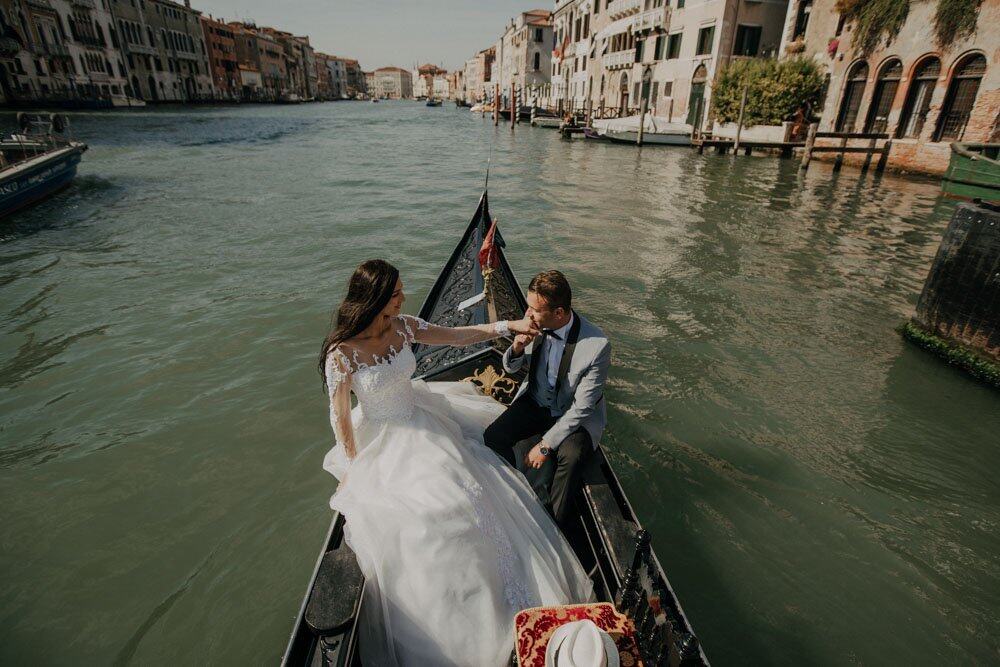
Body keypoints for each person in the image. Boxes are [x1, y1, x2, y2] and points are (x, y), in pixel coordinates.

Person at [319, 259, 594, 667]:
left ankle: (505, 590)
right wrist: (353, 467)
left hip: (424, 418)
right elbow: (340, 416)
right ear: (376, 299)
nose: (403, 295)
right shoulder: (342, 354)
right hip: (385, 440)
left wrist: (507, 327)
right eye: (396, 292)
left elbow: (459, 336)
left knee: (474, 495)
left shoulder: (405, 326)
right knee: (433, 516)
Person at [484, 271, 610, 531]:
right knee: (493, 437)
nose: (527, 315)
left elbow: (583, 407)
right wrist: (517, 347)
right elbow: (510, 368)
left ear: (560, 313)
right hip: (537, 400)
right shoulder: (534, 323)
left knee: (572, 457)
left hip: (573, 414)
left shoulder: (597, 346)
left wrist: (545, 445)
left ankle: (553, 524)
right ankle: (517, 490)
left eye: (534, 309)